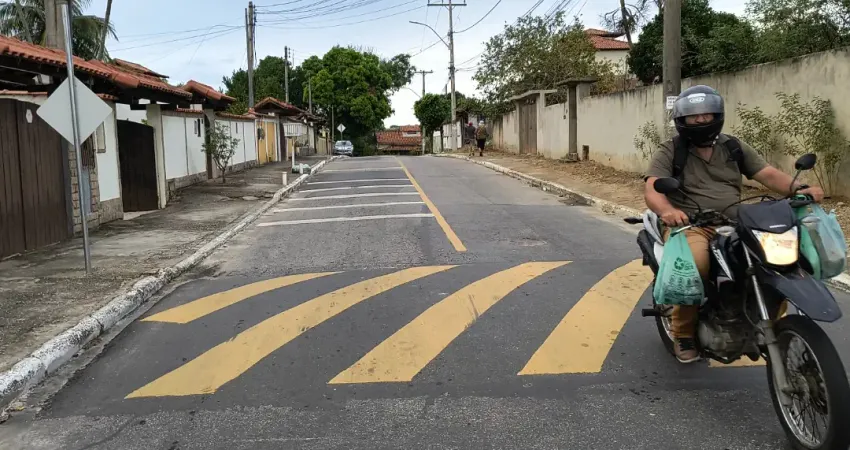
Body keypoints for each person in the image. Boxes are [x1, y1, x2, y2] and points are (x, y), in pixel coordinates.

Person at [644, 85, 824, 363]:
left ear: (718, 114)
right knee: (694, 266)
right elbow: (653, 188)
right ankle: (683, 334)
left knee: (779, 258)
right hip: (692, 224)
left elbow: (766, 174)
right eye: (694, 116)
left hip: (738, 221)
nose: (702, 120)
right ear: (682, 121)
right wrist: (667, 210)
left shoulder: (733, 146)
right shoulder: (671, 150)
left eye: (707, 114)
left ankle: (769, 318)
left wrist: (798, 187)